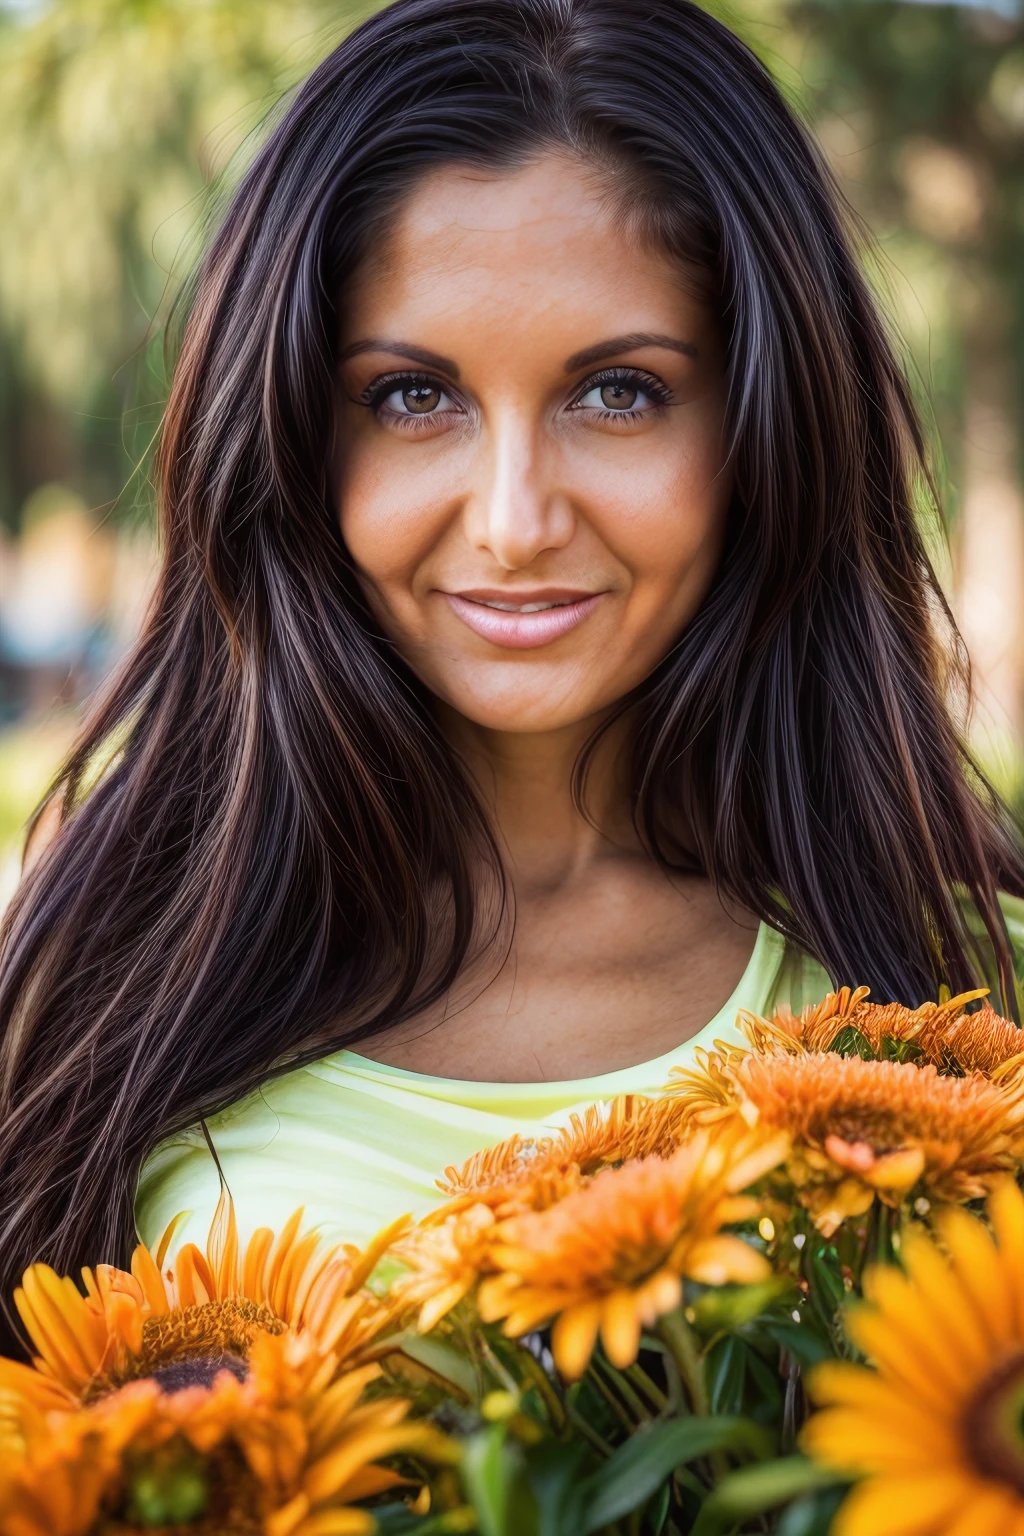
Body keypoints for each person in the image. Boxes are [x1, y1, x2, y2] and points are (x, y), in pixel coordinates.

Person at [2, 0, 1022, 1354]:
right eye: (413, 397)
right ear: (296, 435)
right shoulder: (114, 976)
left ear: (768, 428)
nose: (513, 519)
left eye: (619, 392)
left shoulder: (966, 990)